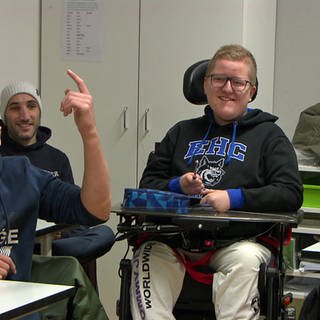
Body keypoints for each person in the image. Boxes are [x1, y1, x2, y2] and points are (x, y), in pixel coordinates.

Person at [130, 44, 303, 320]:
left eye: (238, 81)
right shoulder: (181, 132)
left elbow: (290, 193)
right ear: (206, 85)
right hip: (175, 240)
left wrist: (233, 198)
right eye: (219, 79)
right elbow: (147, 184)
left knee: (245, 261)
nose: (228, 88)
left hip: (240, 242)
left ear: (252, 90)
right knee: (147, 255)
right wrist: (178, 185)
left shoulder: (271, 137)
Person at [0, 69, 111, 320]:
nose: (25, 116)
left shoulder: (20, 175)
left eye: (31, 106)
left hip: (17, 289)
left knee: (69, 270)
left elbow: (95, 210)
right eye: (15, 108)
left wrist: (89, 131)